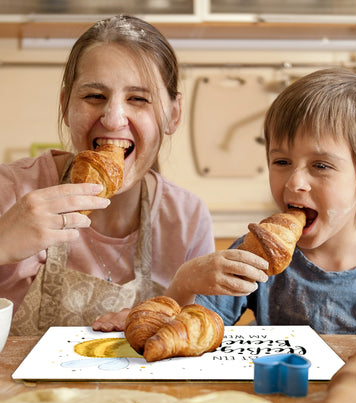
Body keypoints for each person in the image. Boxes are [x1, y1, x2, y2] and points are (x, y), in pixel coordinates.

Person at [0, 15, 215, 336]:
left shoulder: (186, 218)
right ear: (65, 106)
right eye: (94, 96)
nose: (114, 119)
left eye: (138, 99)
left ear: (173, 114)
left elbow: (200, 336)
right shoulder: (12, 191)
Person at [169, 67, 356, 342]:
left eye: (321, 165)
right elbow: (189, 333)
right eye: (282, 162)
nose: (294, 182)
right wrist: (185, 281)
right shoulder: (256, 253)